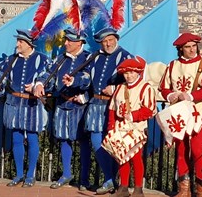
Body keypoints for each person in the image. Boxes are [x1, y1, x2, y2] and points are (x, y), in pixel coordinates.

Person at [158, 32, 202, 197]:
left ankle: (201, 189)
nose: (192, 50)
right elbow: (164, 87)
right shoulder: (172, 65)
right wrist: (171, 95)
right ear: (181, 49)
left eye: (194, 46)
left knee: (197, 149)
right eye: (187, 47)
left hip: (197, 114)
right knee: (181, 149)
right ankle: (184, 189)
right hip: (178, 115)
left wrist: (191, 96)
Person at [0, 29, 49, 188]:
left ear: (29, 44)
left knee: (32, 139)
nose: (17, 44)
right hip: (14, 104)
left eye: (20, 42)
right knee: (16, 139)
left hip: (32, 105)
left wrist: (38, 84)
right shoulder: (11, 59)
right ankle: (19, 174)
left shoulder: (42, 60)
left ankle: (30, 175)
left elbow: (48, 76)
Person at [34, 28, 92, 189]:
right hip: (61, 103)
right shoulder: (60, 58)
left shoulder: (88, 58)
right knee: (63, 138)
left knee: (83, 141)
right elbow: (47, 73)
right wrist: (39, 84)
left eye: (70, 41)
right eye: (66, 40)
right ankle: (66, 174)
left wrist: (76, 83)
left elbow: (90, 80)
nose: (65, 43)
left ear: (79, 42)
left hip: (80, 106)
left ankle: (84, 179)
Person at [83, 27, 133, 194]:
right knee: (97, 141)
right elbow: (85, 76)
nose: (107, 43)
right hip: (95, 104)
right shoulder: (94, 56)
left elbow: (133, 81)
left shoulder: (126, 56)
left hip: (115, 106)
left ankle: (113, 180)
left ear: (116, 39)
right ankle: (110, 179)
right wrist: (74, 81)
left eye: (110, 40)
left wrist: (115, 89)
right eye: (104, 41)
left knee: (113, 143)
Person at [107, 56, 155, 197]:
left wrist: (134, 115)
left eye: (132, 73)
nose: (129, 76)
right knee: (122, 157)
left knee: (136, 158)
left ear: (138, 72)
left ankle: (138, 188)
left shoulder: (145, 88)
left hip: (137, 128)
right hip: (120, 128)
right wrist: (111, 127)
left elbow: (150, 109)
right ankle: (123, 186)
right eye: (126, 73)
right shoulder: (120, 87)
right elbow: (112, 108)